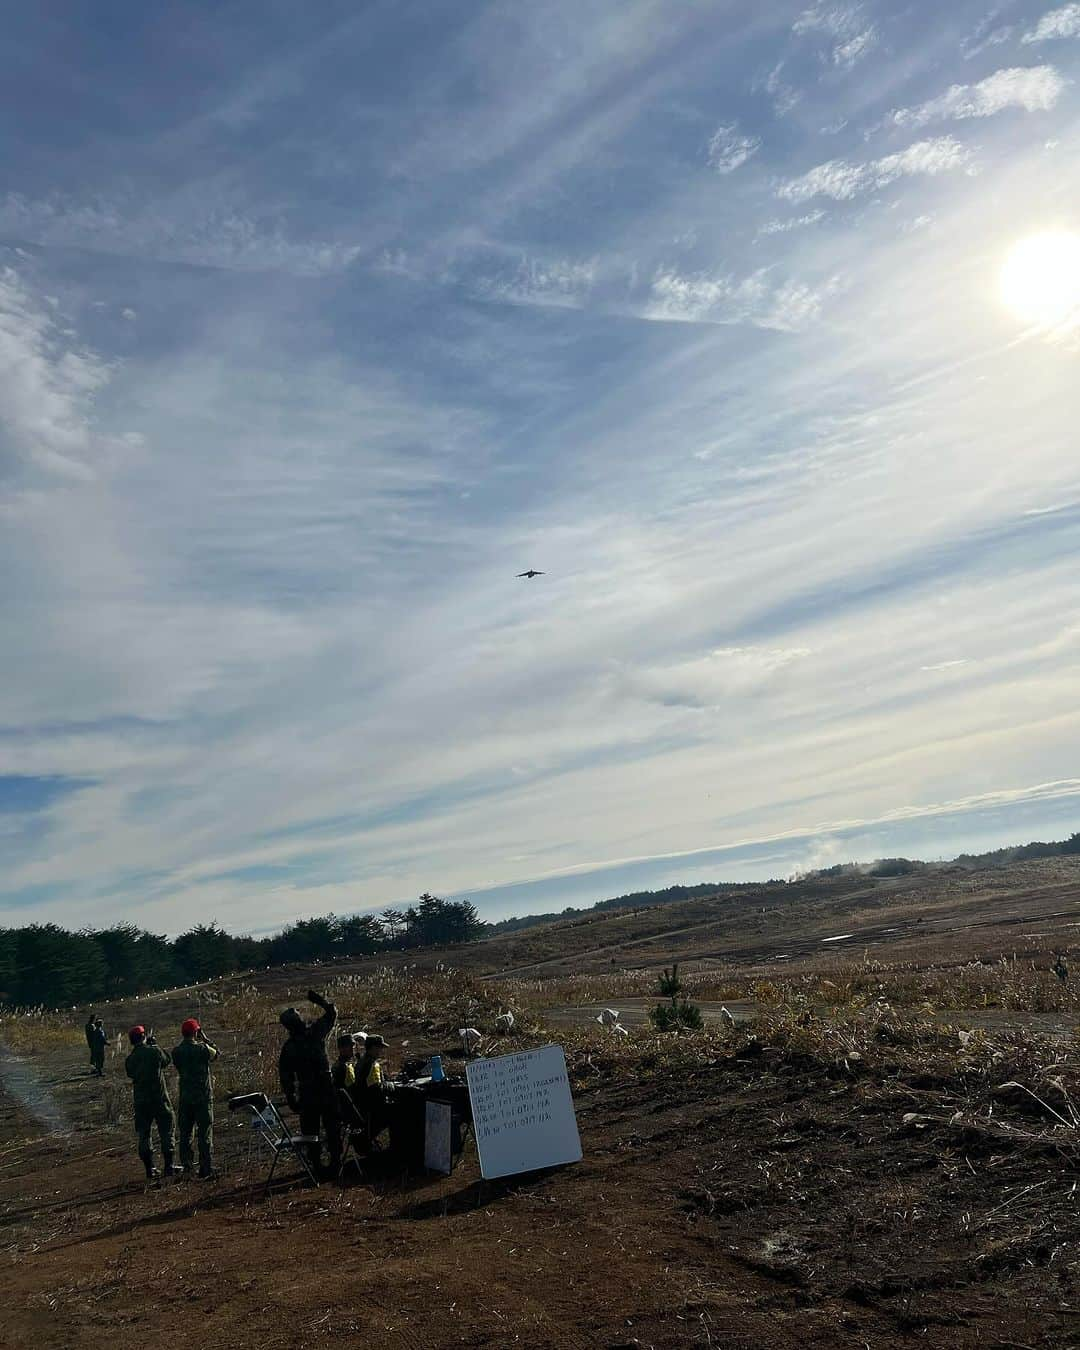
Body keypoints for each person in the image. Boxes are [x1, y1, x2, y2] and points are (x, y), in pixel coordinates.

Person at [278, 989, 340, 1178]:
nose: (300, 1015)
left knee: (312, 1131)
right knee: (330, 1127)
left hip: (308, 1092)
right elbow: (332, 1013)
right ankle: (333, 1164)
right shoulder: (314, 1032)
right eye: (298, 1014)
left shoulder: (290, 1047)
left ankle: (319, 1167)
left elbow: (286, 1076)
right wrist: (320, 1001)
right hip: (323, 1087)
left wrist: (291, 1097)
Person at [125, 1026, 178, 1182]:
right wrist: (154, 1045)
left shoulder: (130, 1059)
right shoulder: (153, 1051)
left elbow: (130, 1073)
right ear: (143, 1036)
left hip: (141, 1102)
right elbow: (166, 1061)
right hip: (159, 1098)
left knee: (144, 1134)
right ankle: (169, 1166)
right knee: (167, 1130)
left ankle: (150, 1169)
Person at [172, 1018, 219, 1179]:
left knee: (185, 1134)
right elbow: (216, 1054)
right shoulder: (203, 1049)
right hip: (203, 1097)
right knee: (204, 1133)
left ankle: (187, 1167)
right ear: (196, 1032)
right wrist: (205, 1038)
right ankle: (206, 1167)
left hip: (185, 1098)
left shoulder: (176, 1052)